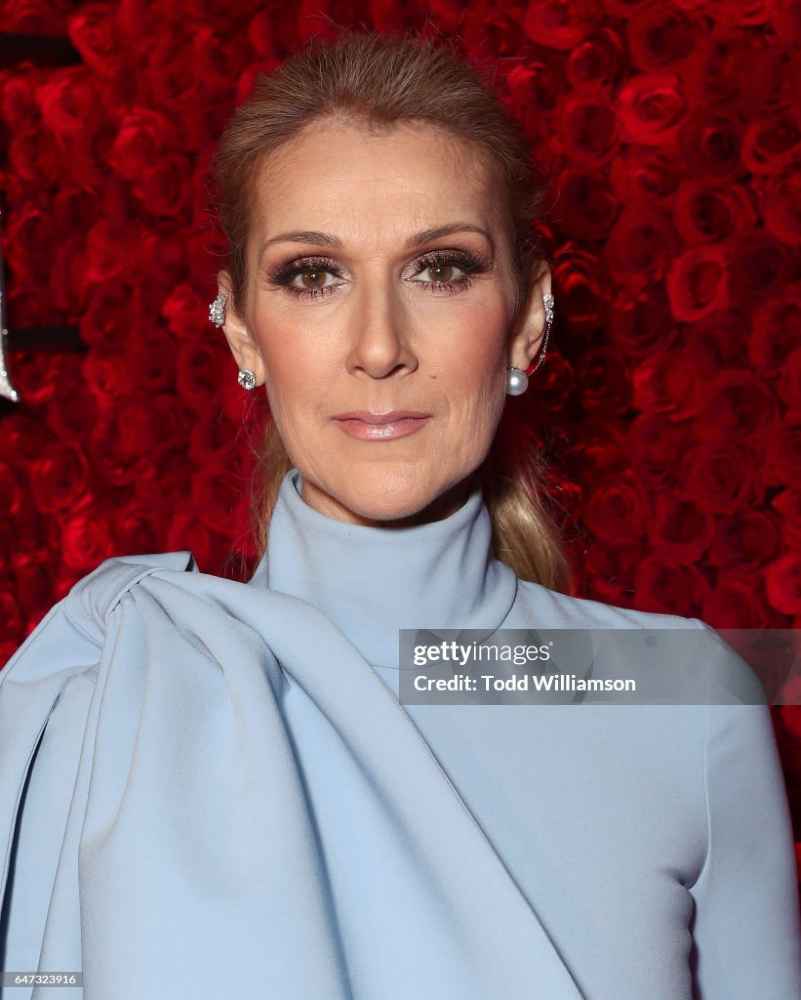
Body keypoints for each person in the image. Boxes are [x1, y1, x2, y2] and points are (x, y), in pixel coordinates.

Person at [2, 27, 800, 1000]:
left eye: (442, 268)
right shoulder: (102, 701)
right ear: (242, 329)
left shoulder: (681, 694)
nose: (379, 347)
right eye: (313, 274)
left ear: (529, 318)